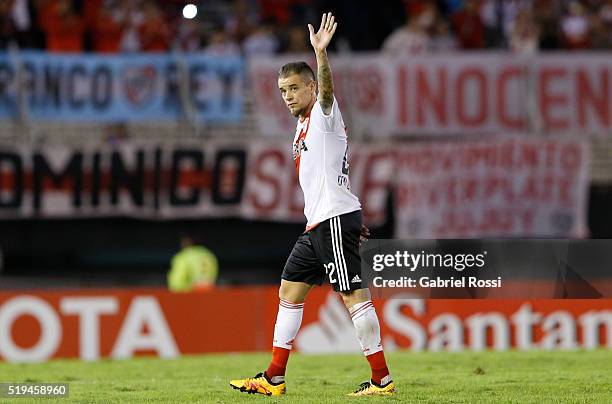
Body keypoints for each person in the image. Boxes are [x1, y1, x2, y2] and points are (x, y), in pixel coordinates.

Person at [229, 12, 395, 397]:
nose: (287, 95)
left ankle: (381, 380)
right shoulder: (302, 126)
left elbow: (326, 92)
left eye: (292, 88)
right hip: (322, 222)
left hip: (333, 219)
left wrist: (321, 55)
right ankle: (273, 378)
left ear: (308, 87)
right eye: (282, 90)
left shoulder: (323, 114)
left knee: (354, 297)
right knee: (289, 291)